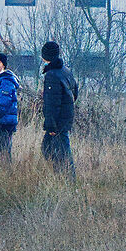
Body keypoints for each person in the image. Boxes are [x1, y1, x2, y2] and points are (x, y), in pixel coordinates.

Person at [39, 40, 79, 179]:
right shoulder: (66, 71)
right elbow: (75, 93)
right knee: (48, 148)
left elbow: (52, 104)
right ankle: (59, 176)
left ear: (45, 56)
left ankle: (68, 179)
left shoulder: (51, 75)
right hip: (66, 117)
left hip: (58, 122)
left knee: (60, 152)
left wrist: (51, 125)